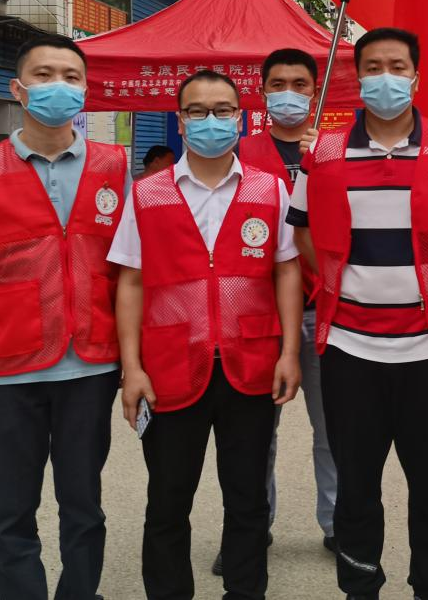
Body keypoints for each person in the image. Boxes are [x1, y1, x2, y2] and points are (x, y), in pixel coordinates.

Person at [289, 26, 428, 600]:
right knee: (357, 484)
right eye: (374, 67)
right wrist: (341, 280)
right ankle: (361, 588)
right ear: (358, 78)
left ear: (416, 76)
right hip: (350, 347)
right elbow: (302, 232)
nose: (386, 77)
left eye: (397, 67)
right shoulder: (324, 152)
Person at [0, 33, 129, 600]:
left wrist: (134, 363)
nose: (58, 87)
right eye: (44, 75)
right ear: (18, 89)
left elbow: (132, 276)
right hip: (7, 371)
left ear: (86, 91)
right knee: (10, 513)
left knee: (84, 506)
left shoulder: (115, 166)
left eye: (71, 77)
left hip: (90, 368)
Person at [110, 69, 303, 600]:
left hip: (251, 366)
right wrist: (132, 368)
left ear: (240, 119)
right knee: (168, 501)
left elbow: (287, 270)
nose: (210, 120)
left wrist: (289, 352)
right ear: (180, 122)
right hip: (171, 369)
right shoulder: (147, 193)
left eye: (222, 110)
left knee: (247, 499)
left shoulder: (269, 189)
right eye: (197, 111)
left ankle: (245, 591)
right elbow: (130, 281)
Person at [232, 48, 337, 568]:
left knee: (333, 430)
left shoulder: (336, 149)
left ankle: (339, 525)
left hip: (325, 310)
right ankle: (251, 527)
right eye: (278, 84)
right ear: (262, 92)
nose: (289, 93)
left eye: (299, 84)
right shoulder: (240, 151)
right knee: (253, 434)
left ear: (314, 92)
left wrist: (326, 167)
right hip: (257, 313)